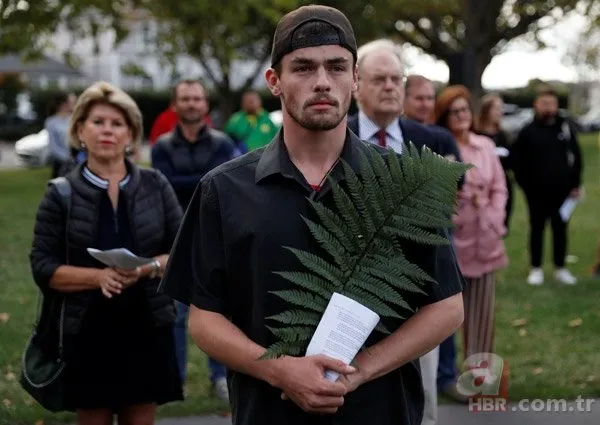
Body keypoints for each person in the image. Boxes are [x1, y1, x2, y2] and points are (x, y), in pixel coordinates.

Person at [159, 6, 464, 425]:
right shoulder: (224, 189)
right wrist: (278, 369)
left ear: (354, 78)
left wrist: (359, 371)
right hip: (268, 413)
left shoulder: (402, 183)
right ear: (274, 81)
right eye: (302, 67)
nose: (322, 82)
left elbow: (446, 307)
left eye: (337, 67)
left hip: (381, 412)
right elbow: (204, 318)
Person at [29, 81, 184, 424]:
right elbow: (42, 266)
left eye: (117, 124)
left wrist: (144, 269)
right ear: (80, 130)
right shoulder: (60, 194)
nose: (107, 131)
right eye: (98, 122)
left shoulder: (155, 185)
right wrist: (98, 277)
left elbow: (181, 251)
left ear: (130, 135)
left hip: (146, 326)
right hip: (87, 332)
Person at [151, 78, 239, 401]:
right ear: (175, 105)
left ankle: (219, 377)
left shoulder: (222, 143)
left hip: (216, 238)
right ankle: (177, 379)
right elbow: (165, 188)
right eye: (185, 99)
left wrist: (192, 183)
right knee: (176, 315)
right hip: (175, 240)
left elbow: (224, 188)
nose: (191, 104)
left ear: (205, 105)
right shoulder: (161, 146)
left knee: (218, 312)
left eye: (197, 99)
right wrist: (205, 179)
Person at [404, 74, 467, 406]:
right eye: (419, 98)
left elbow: (458, 183)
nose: (426, 104)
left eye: (430, 98)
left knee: (444, 306)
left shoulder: (440, 137)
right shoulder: (396, 136)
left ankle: (445, 376)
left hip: (438, 232)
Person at [434, 85, 508, 361]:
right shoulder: (440, 147)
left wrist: (495, 217)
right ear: (443, 117)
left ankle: (481, 379)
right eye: (453, 112)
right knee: (448, 314)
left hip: (485, 237)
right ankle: (446, 374)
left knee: (483, 316)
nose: (461, 115)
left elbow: (500, 186)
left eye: (464, 109)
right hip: (455, 239)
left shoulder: (485, 145)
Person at [511, 87, 583, 286]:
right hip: (536, 193)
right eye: (544, 103)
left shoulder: (565, 129)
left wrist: (576, 184)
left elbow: (576, 157)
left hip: (563, 191)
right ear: (536, 105)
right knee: (537, 229)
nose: (549, 108)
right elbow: (518, 162)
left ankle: (560, 268)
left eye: (552, 103)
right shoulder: (528, 132)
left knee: (560, 229)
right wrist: (526, 186)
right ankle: (536, 268)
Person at [347, 42, 461, 162]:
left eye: (396, 79)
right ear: (356, 87)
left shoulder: (434, 142)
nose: (389, 86)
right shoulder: (335, 141)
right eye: (379, 79)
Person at [476, 93, 514, 232]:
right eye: (497, 108)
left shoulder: (504, 136)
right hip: (481, 187)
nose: (501, 112)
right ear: (487, 110)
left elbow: (512, 162)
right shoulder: (475, 134)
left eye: (501, 108)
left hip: (502, 186)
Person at [45, 92, 77, 178]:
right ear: (64, 104)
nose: (75, 105)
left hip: (77, 163)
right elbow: (53, 146)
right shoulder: (51, 122)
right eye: (72, 102)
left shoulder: (75, 119)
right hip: (60, 164)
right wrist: (67, 158)